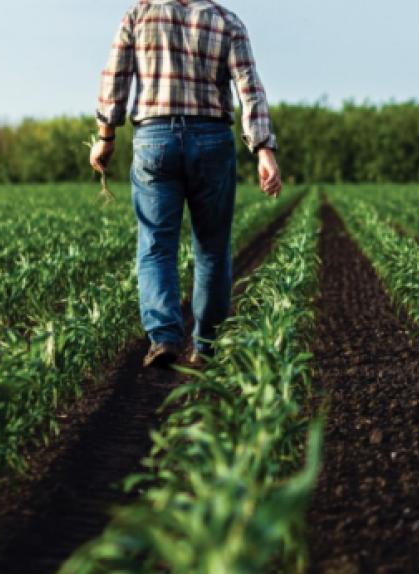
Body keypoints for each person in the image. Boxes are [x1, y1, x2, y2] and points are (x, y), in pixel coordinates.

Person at [89, 0, 283, 368]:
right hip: (212, 138)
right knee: (211, 246)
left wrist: (106, 136)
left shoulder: (138, 15)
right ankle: (206, 343)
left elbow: (115, 77)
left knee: (156, 244)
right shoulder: (227, 21)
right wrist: (263, 150)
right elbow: (249, 89)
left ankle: (163, 337)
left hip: (154, 138)